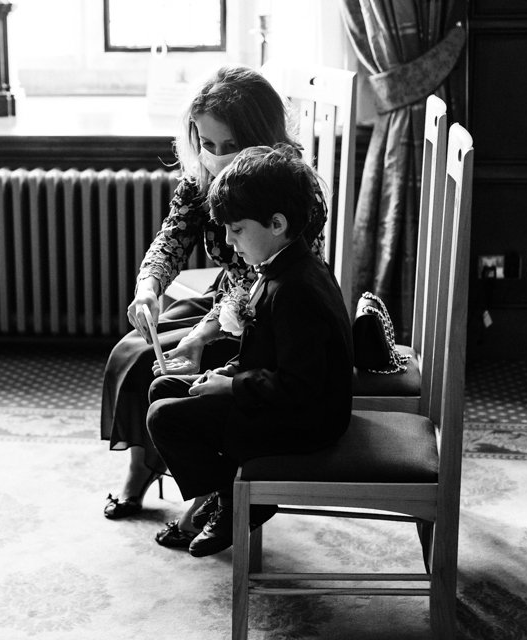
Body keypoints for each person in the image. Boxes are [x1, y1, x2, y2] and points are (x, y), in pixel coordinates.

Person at [100, 65, 328, 533]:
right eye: (206, 143)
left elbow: (270, 282)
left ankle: (213, 489)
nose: (217, 156)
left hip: (269, 317)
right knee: (133, 351)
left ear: (260, 136)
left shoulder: (290, 185)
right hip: (223, 296)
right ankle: (145, 465)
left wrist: (201, 336)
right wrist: (148, 287)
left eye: (230, 145)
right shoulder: (202, 176)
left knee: (169, 366)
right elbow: (172, 237)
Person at [146, 144, 354, 556]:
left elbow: (300, 386)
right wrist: (226, 372)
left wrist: (231, 387)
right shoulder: (280, 266)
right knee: (163, 388)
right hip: (280, 398)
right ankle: (228, 491)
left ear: (276, 224)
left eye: (237, 230)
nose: (228, 241)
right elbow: (266, 351)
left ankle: (237, 498)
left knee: (165, 417)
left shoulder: (297, 289)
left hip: (307, 420)